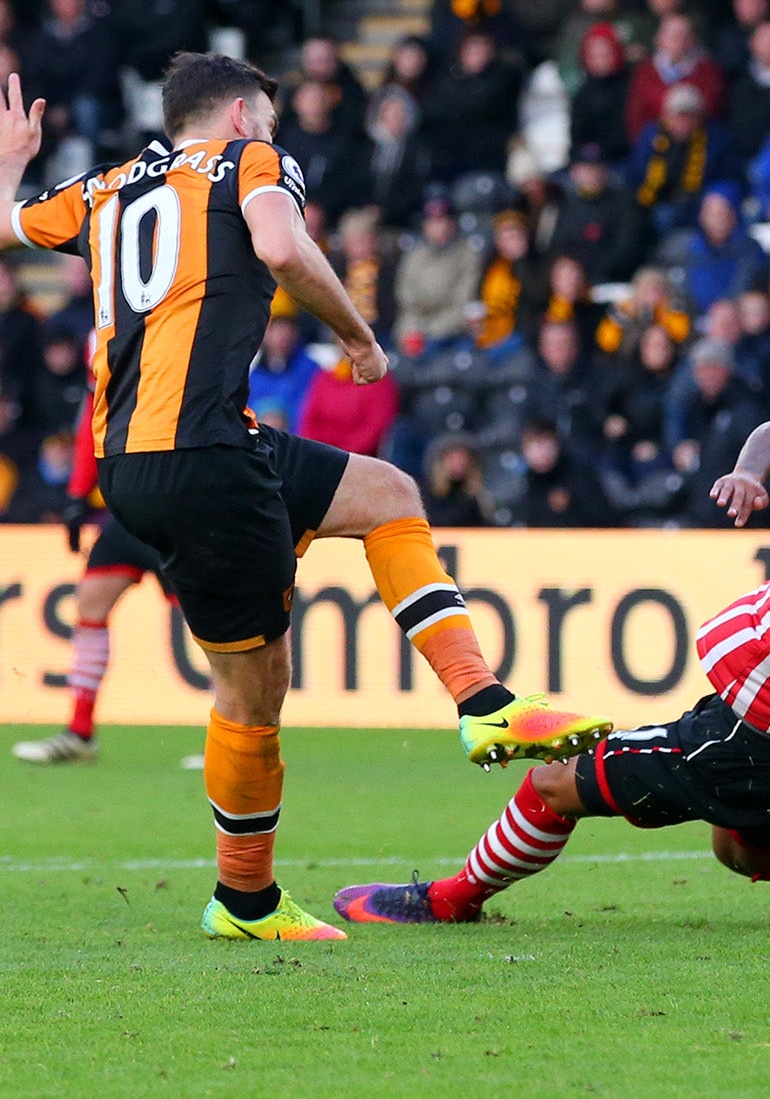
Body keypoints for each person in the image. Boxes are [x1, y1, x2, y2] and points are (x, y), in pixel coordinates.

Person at [0, 59, 610, 942]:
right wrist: (359, 337)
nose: (278, 139)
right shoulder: (249, 159)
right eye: (274, 123)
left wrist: (14, 159)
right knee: (253, 694)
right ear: (244, 113)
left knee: (385, 491)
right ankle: (244, 902)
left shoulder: (106, 186)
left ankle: (484, 705)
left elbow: (7, 225)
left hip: (139, 456)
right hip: (202, 452)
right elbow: (282, 247)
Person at [334, 343, 770, 934]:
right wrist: (747, 470)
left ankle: (449, 902)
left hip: (756, 733)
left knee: (554, 779)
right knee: (745, 850)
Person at [13, 392, 171, 764]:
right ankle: (80, 731)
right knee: (91, 600)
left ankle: (234, 732)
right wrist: (77, 494)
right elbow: (91, 419)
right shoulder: (104, 346)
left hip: (172, 502)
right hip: (128, 506)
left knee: (205, 622)